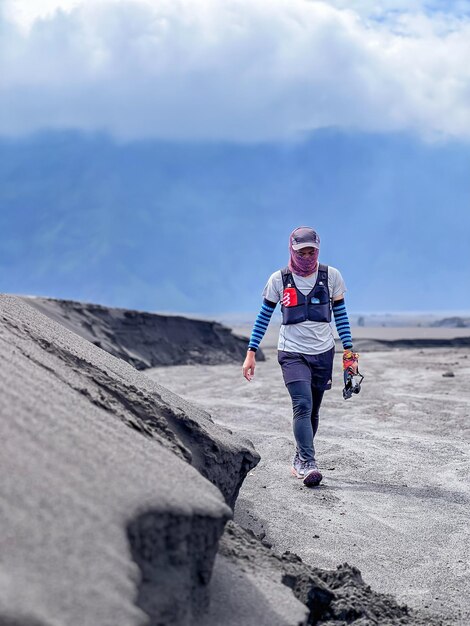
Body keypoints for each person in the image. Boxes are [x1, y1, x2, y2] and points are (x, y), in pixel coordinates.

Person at [242, 226, 358, 487]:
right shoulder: (278, 280)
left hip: (323, 353)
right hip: (292, 353)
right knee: (302, 405)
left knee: (313, 410)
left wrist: (349, 353)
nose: (307, 257)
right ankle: (308, 462)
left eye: (311, 251)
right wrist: (251, 351)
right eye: (301, 252)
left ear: (318, 249)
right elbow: (263, 317)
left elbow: (341, 315)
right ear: (292, 250)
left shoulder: (332, 277)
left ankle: (299, 457)